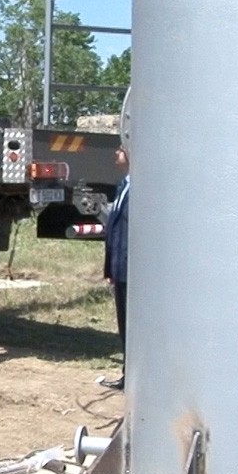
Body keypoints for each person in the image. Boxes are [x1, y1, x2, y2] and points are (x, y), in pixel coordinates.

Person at [99, 143, 129, 391]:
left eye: (119, 149)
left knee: (132, 327)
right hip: (120, 269)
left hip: (132, 272)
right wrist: (110, 268)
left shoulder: (140, 188)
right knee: (124, 325)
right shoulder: (123, 187)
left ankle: (133, 378)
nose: (115, 153)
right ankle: (127, 375)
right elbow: (116, 232)